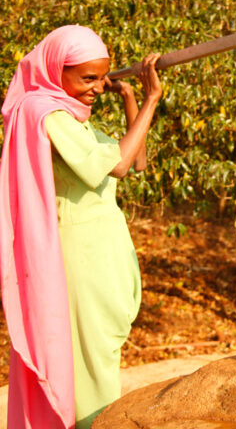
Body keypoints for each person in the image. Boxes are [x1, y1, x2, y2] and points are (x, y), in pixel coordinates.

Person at [0, 25, 163, 428]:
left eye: (101, 77)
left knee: (101, 352)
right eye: (86, 78)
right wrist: (153, 99)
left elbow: (137, 160)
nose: (96, 87)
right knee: (92, 363)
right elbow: (120, 165)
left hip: (103, 249)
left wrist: (133, 102)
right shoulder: (47, 114)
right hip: (81, 255)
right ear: (57, 71)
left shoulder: (77, 121)